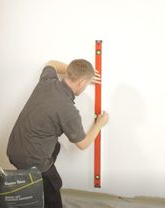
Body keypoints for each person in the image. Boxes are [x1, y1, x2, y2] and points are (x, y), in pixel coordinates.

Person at [6, 59, 109, 208]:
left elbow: (51, 63)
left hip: (13, 149)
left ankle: (34, 186)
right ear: (80, 83)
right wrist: (100, 124)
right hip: (32, 160)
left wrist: (78, 72)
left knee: (55, 147)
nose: (85, 87)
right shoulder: (68, 110)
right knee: (53, 185)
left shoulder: (48, 81)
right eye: (86, 84)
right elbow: (83, 144)